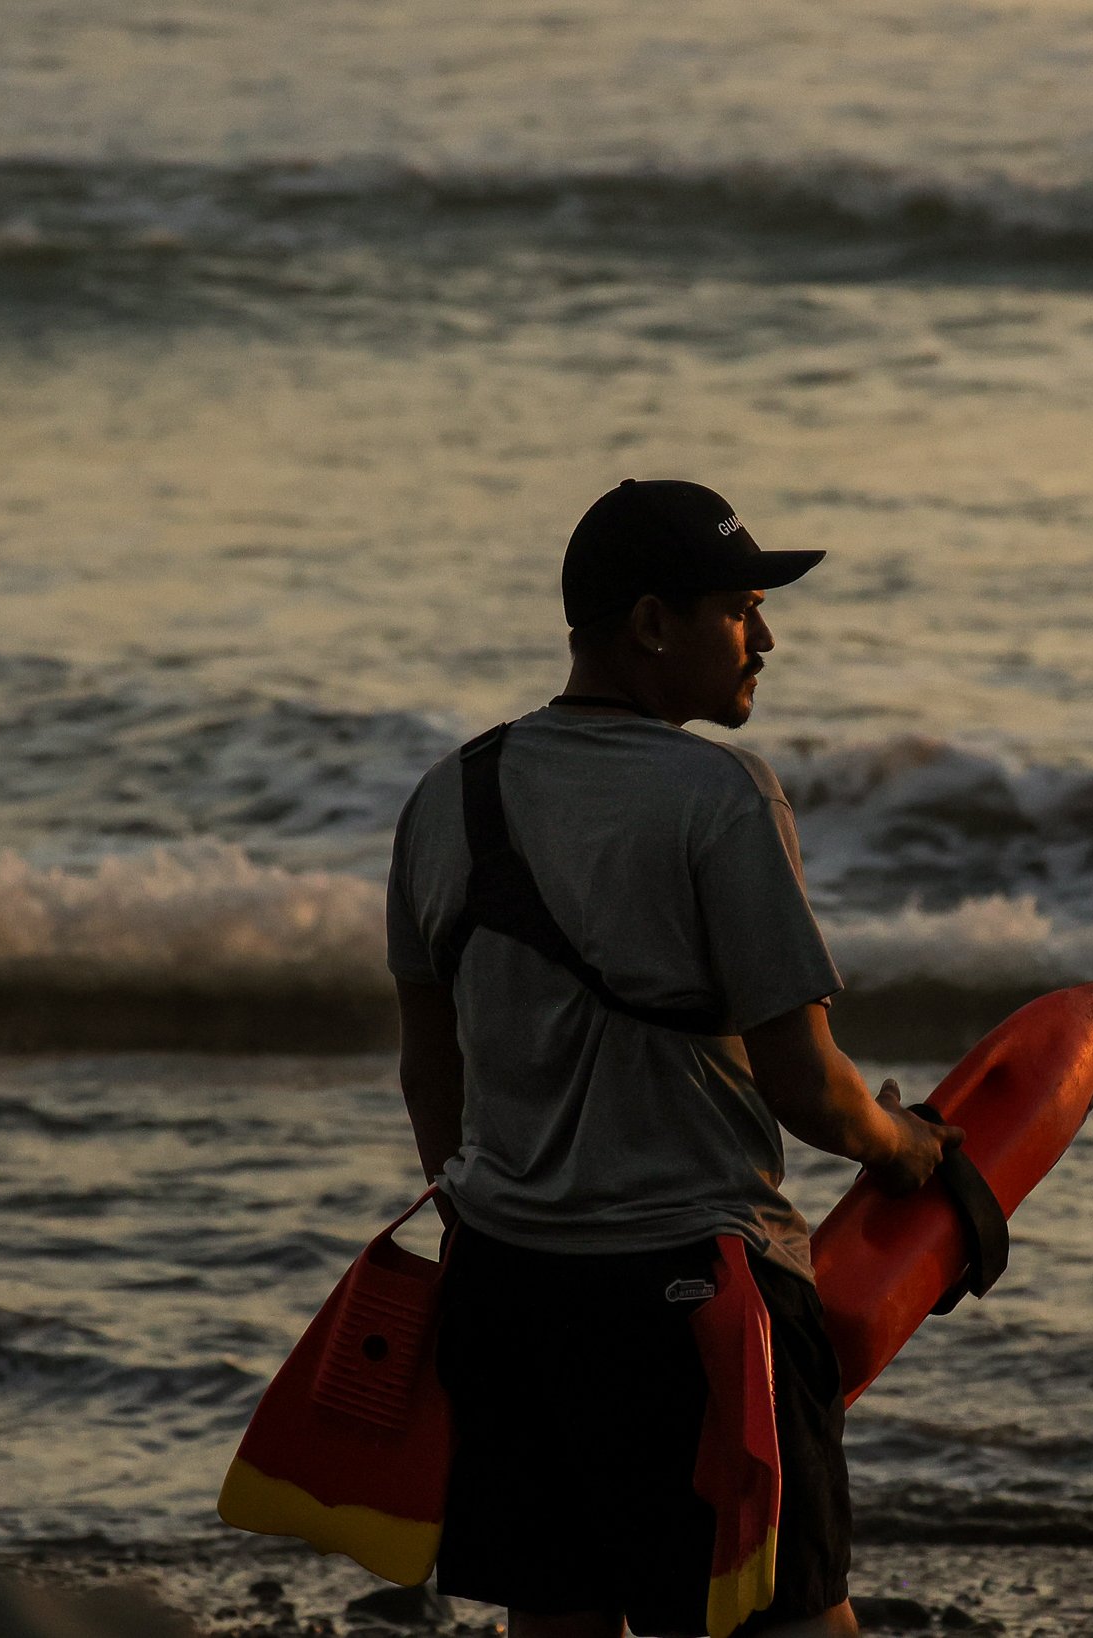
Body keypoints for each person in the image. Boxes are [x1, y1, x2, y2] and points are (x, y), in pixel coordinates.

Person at [384, 478, 961, 1638]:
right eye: (741, 608)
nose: (767, 639)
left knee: (560, 1616)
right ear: (652, 624)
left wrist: (491, 1214)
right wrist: (911, 1149)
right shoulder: (719, 794)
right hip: (693, 1304)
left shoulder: (448, 794)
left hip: (508, 1291)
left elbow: (428, 1065)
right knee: (788, 1620)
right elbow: (807, 1087)